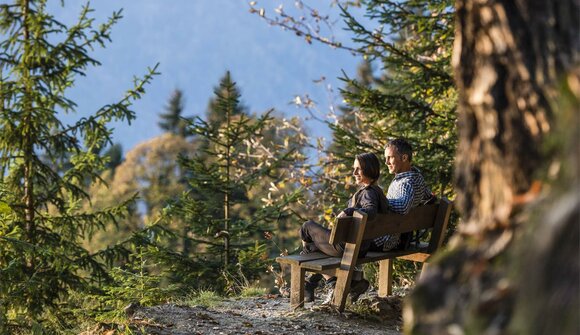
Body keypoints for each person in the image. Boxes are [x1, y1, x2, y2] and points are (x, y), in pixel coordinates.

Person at [299, 152, 389, 303]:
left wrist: (348, 210)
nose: (354, 173)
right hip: (360, 246)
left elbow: (371, 211)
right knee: (313, 247)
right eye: (354, 169)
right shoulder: (377, 191)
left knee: (306, 228)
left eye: (358, 169)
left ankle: (317, 285)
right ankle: (329, 284)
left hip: (347, 246)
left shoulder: (369, 193)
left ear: (370, 169)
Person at [369, 138, 434, 252]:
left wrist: (379, 200)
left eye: (390, 157)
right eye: (386, 158)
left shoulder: (405, 183)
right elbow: (429, 197)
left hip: (385, 240)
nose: (386, 162)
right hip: (395, 237)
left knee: (335, 242)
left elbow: (403, 207)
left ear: (404, 158)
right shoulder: (417, 177)